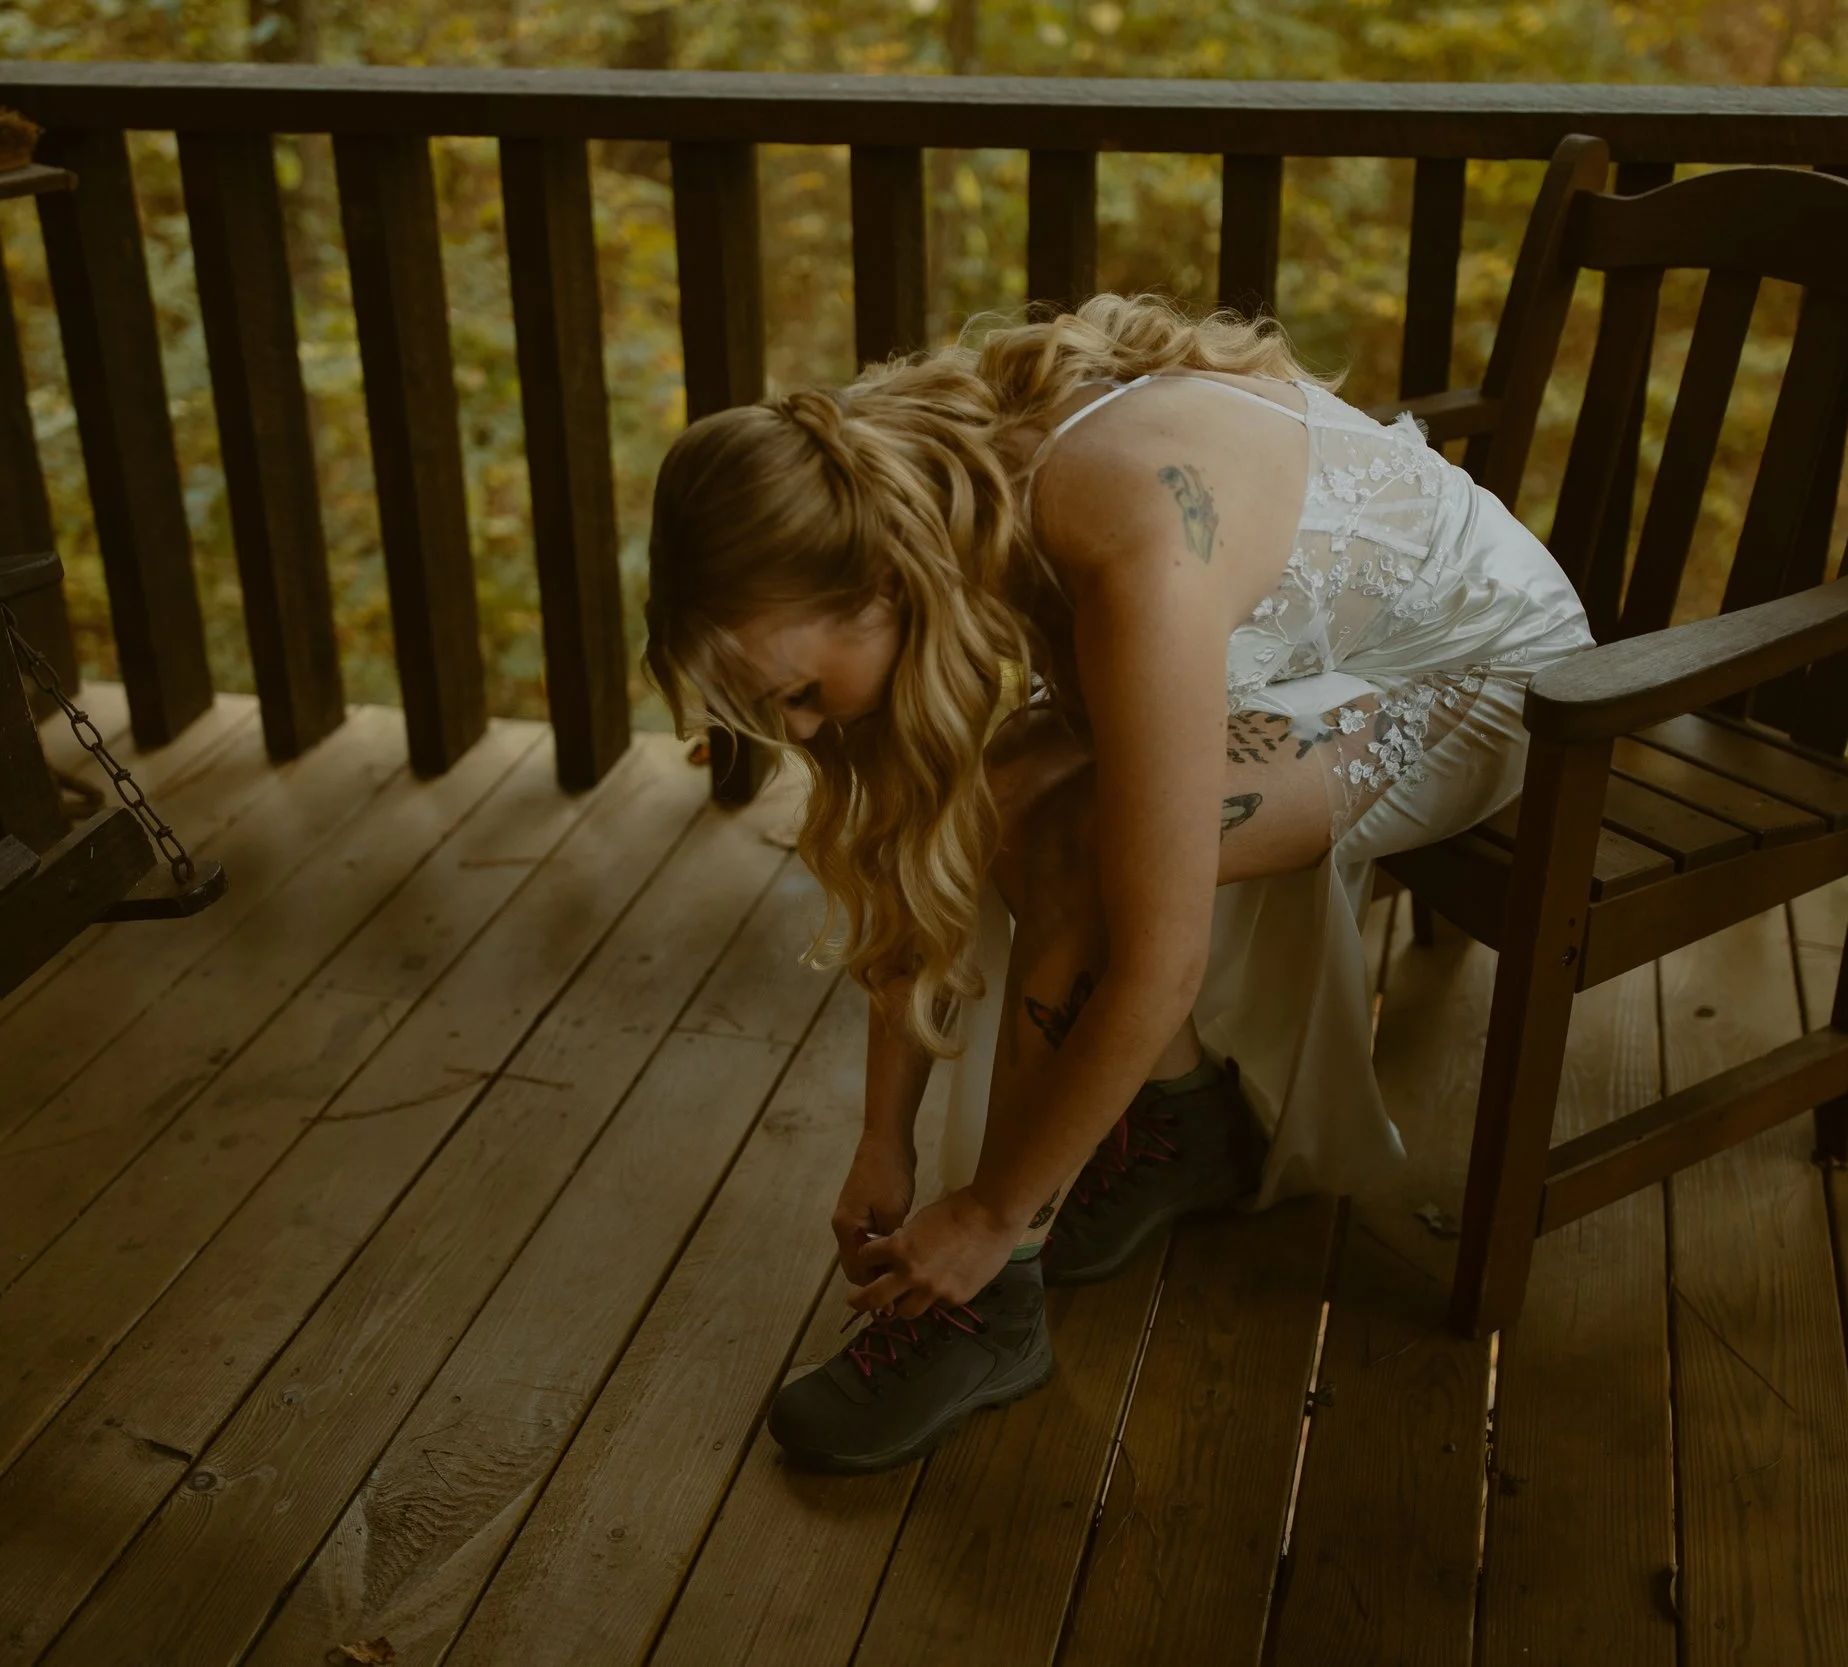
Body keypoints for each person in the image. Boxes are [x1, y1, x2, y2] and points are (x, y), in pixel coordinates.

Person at [643, 294, 1592, 1475]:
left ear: (876, 587)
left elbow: (1161, 953)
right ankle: (1187, 1123)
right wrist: (878, 1140)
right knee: (1003, 803)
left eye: (793, 692)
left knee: (1082, 849)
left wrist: (986, 1215)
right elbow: (913, 837)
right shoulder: (917, 490)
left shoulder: (1122, 530)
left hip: (1486, 675)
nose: (797, 728)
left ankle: (987, 1310)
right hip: (1302, 660)